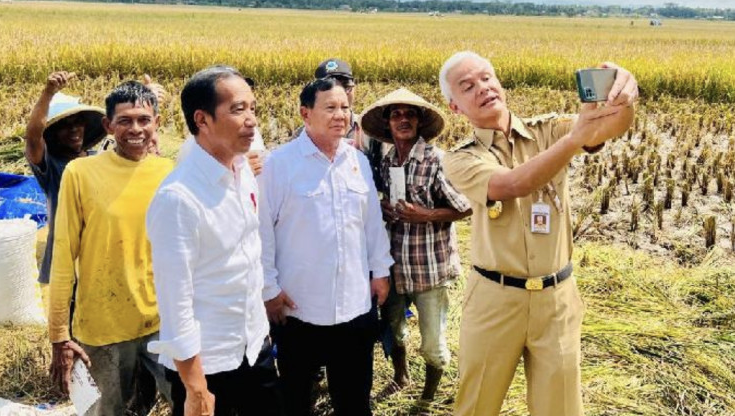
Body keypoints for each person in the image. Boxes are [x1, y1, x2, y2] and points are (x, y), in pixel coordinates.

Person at [439, 51, 638, 416]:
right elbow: (512, 183)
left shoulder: (548, 129)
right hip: (493, 301)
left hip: (557, 299)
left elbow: (607, 128)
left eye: (487, 78)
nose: (482, 88)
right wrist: (575, 139)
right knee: (476, 405)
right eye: (468, 87)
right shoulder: (460, 158)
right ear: (455, 107)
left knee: (560, 407)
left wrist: (623, 96)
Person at [147, 65, 283, 416]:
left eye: (253, 108)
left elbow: (248, 260)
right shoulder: (179, 198)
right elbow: (176, 302)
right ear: (202, 120)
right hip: (209, 365)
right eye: (238, 109)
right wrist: (196, 389)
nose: (251, 119)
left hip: (254, 349)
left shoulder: (243, 175)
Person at [259, 78, 394, 416]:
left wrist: (380, 272)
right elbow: (261, 232)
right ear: (306, 113)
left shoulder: (357, 161)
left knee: (354, 399)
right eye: (330, 108)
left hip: (355, 306)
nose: (340, 115)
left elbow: (372, 225)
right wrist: (269, 288)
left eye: (345, 107)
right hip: (299, 308)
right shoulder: (280, 164)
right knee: (297, 398)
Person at [48, 81, 174, 415]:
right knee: (106, 410)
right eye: (125, 121)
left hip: (162, 320)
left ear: (157, 124)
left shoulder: (169, 172)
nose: (136, 129)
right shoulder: (81, 173)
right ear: (108, 126)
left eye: (144, 120)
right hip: (103, 326)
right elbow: (63, 255)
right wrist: (59, 333)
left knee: (189, 402)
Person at [359, 88, 472, 401]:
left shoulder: (437, 160)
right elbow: (391, 204)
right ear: (388, 124)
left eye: (410, 114)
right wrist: (384, 209)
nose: (403, 119)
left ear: (420, 122)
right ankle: (401, 376)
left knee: (433, 342)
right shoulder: (387, 162)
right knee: (393, 330)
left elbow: (466, 206)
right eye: (396, 114)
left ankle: (427, 397)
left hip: (429, 270)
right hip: (394, 267)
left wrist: (427, 214)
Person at [24, 71, 106, 289]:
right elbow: (33, 137)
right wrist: (48, 93)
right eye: (65, 125)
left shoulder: (98, 159)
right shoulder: (51, 166)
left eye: (77, 123)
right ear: (52, 134)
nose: (73, 130)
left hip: (100, 250)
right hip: (67, 253)